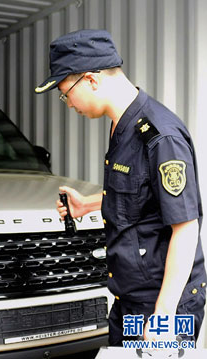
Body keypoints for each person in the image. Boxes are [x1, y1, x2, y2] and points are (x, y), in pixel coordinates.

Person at [35, 29, 206, 346]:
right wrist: (86, 205)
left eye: (65, 92)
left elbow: (186, 227)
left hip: (162, 304)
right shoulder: (122, 125)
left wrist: (164, 318)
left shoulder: (160, 136)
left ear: (91, 80)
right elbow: (140, 203)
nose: (67, 103)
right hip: (129, 300)